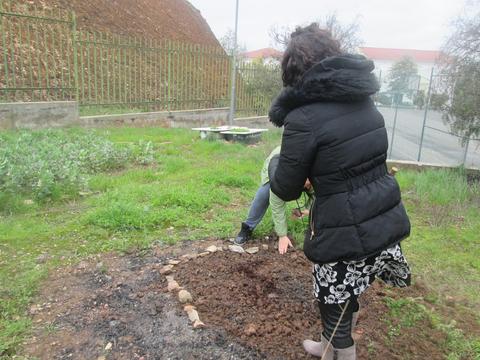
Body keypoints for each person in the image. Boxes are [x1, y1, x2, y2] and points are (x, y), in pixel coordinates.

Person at [268, 24, 411, 360]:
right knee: (351, 291)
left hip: (343, 228)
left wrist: (279, 167)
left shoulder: (303, 117)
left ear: (293, 71)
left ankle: (339, 350)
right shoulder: (364, 101)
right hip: (380, 219)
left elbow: (286, 187)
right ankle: (326, 346)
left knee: (334, 304)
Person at [234, 146, 313, 254]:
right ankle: (247, 227)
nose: (306, 186)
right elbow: (277, 207)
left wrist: (308, 209)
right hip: (277, 163)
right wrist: (282, 235)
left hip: (304, 161)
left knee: (318, 191)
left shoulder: (318, 171)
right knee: (264, 193)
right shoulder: (278, 180)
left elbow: (321, 197)